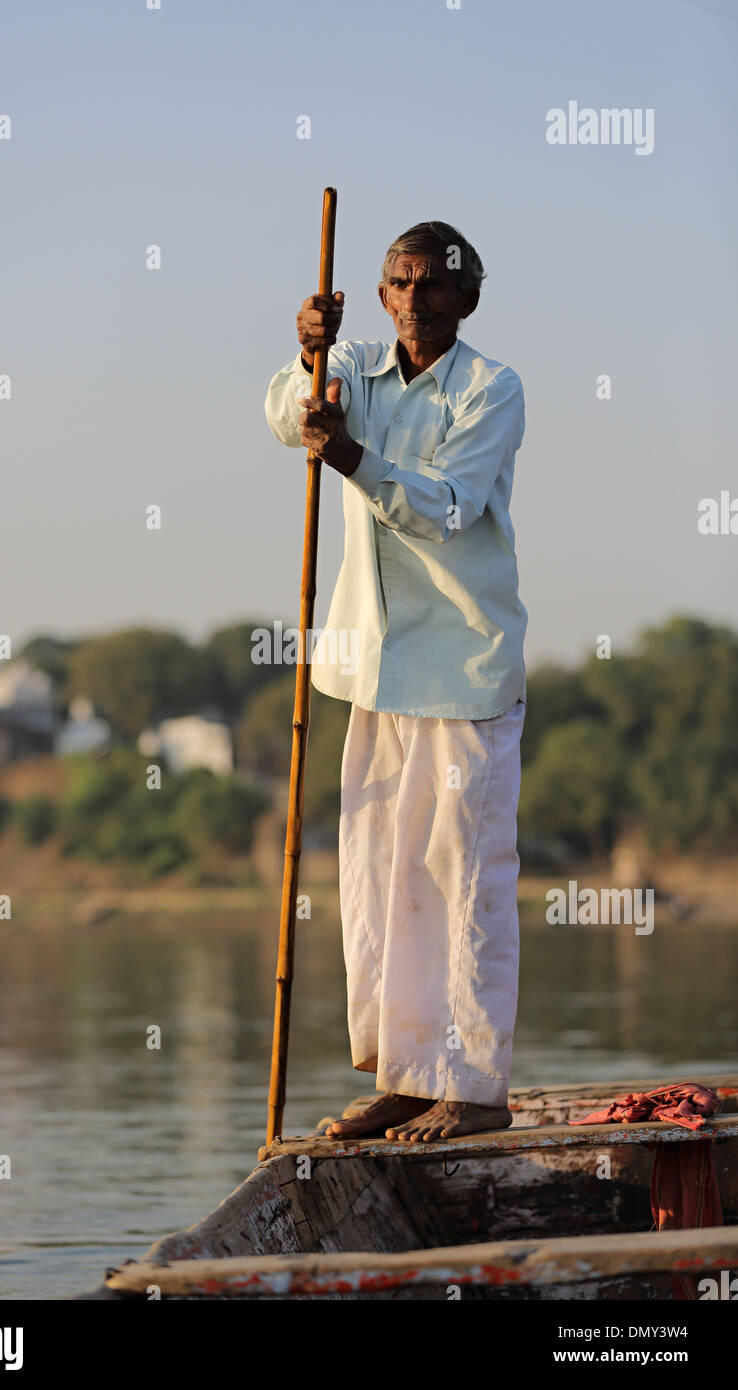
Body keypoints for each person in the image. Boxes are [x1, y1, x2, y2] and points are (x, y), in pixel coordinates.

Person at [264, 221, 527, 1142]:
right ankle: (411, 1079)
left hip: (463, 667)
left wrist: (351, 459)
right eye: (399, 283)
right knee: (384, 877)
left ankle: (475, 1090)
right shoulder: (357, 367)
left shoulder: (493, 389)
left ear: (467, 298)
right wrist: (307, 356)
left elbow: (449, 507)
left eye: (433, 284)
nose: (415, 298)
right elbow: (276, 414)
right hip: (376, 668)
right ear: (380, 297)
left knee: (464, 877)